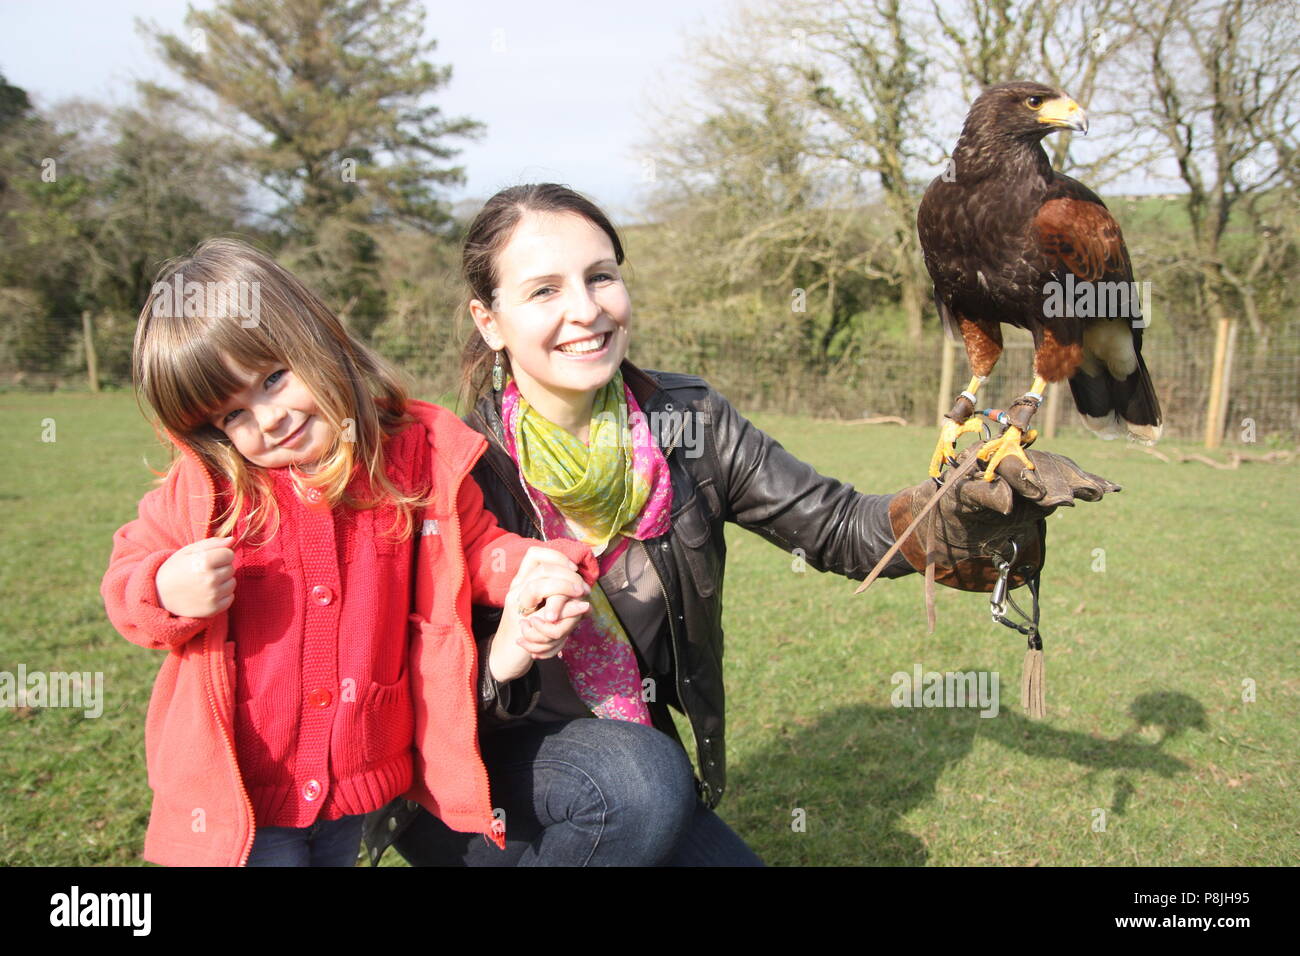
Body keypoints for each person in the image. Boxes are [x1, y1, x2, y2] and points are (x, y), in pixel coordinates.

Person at [365, 184, 1119, 867]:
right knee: (644, 783)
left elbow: (836, 527)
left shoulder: (691, 425)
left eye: (601, 276)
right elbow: (398, 683)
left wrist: (945, 508)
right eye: (543, 291)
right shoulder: (449, 468)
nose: (586, 309)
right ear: (489, 321)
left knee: (651, 788)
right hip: (477, 776)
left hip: (629, 751)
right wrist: (511, 651)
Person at [101, 238, 598, 867]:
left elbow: (471, 547)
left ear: (318, 339)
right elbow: (125, 583)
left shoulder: (408, 457)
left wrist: (526, 566)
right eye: (232, 415)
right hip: (240, 799)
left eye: (275, 378)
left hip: (356, 779)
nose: (270, 418)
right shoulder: (209, 493)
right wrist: (165, 588)